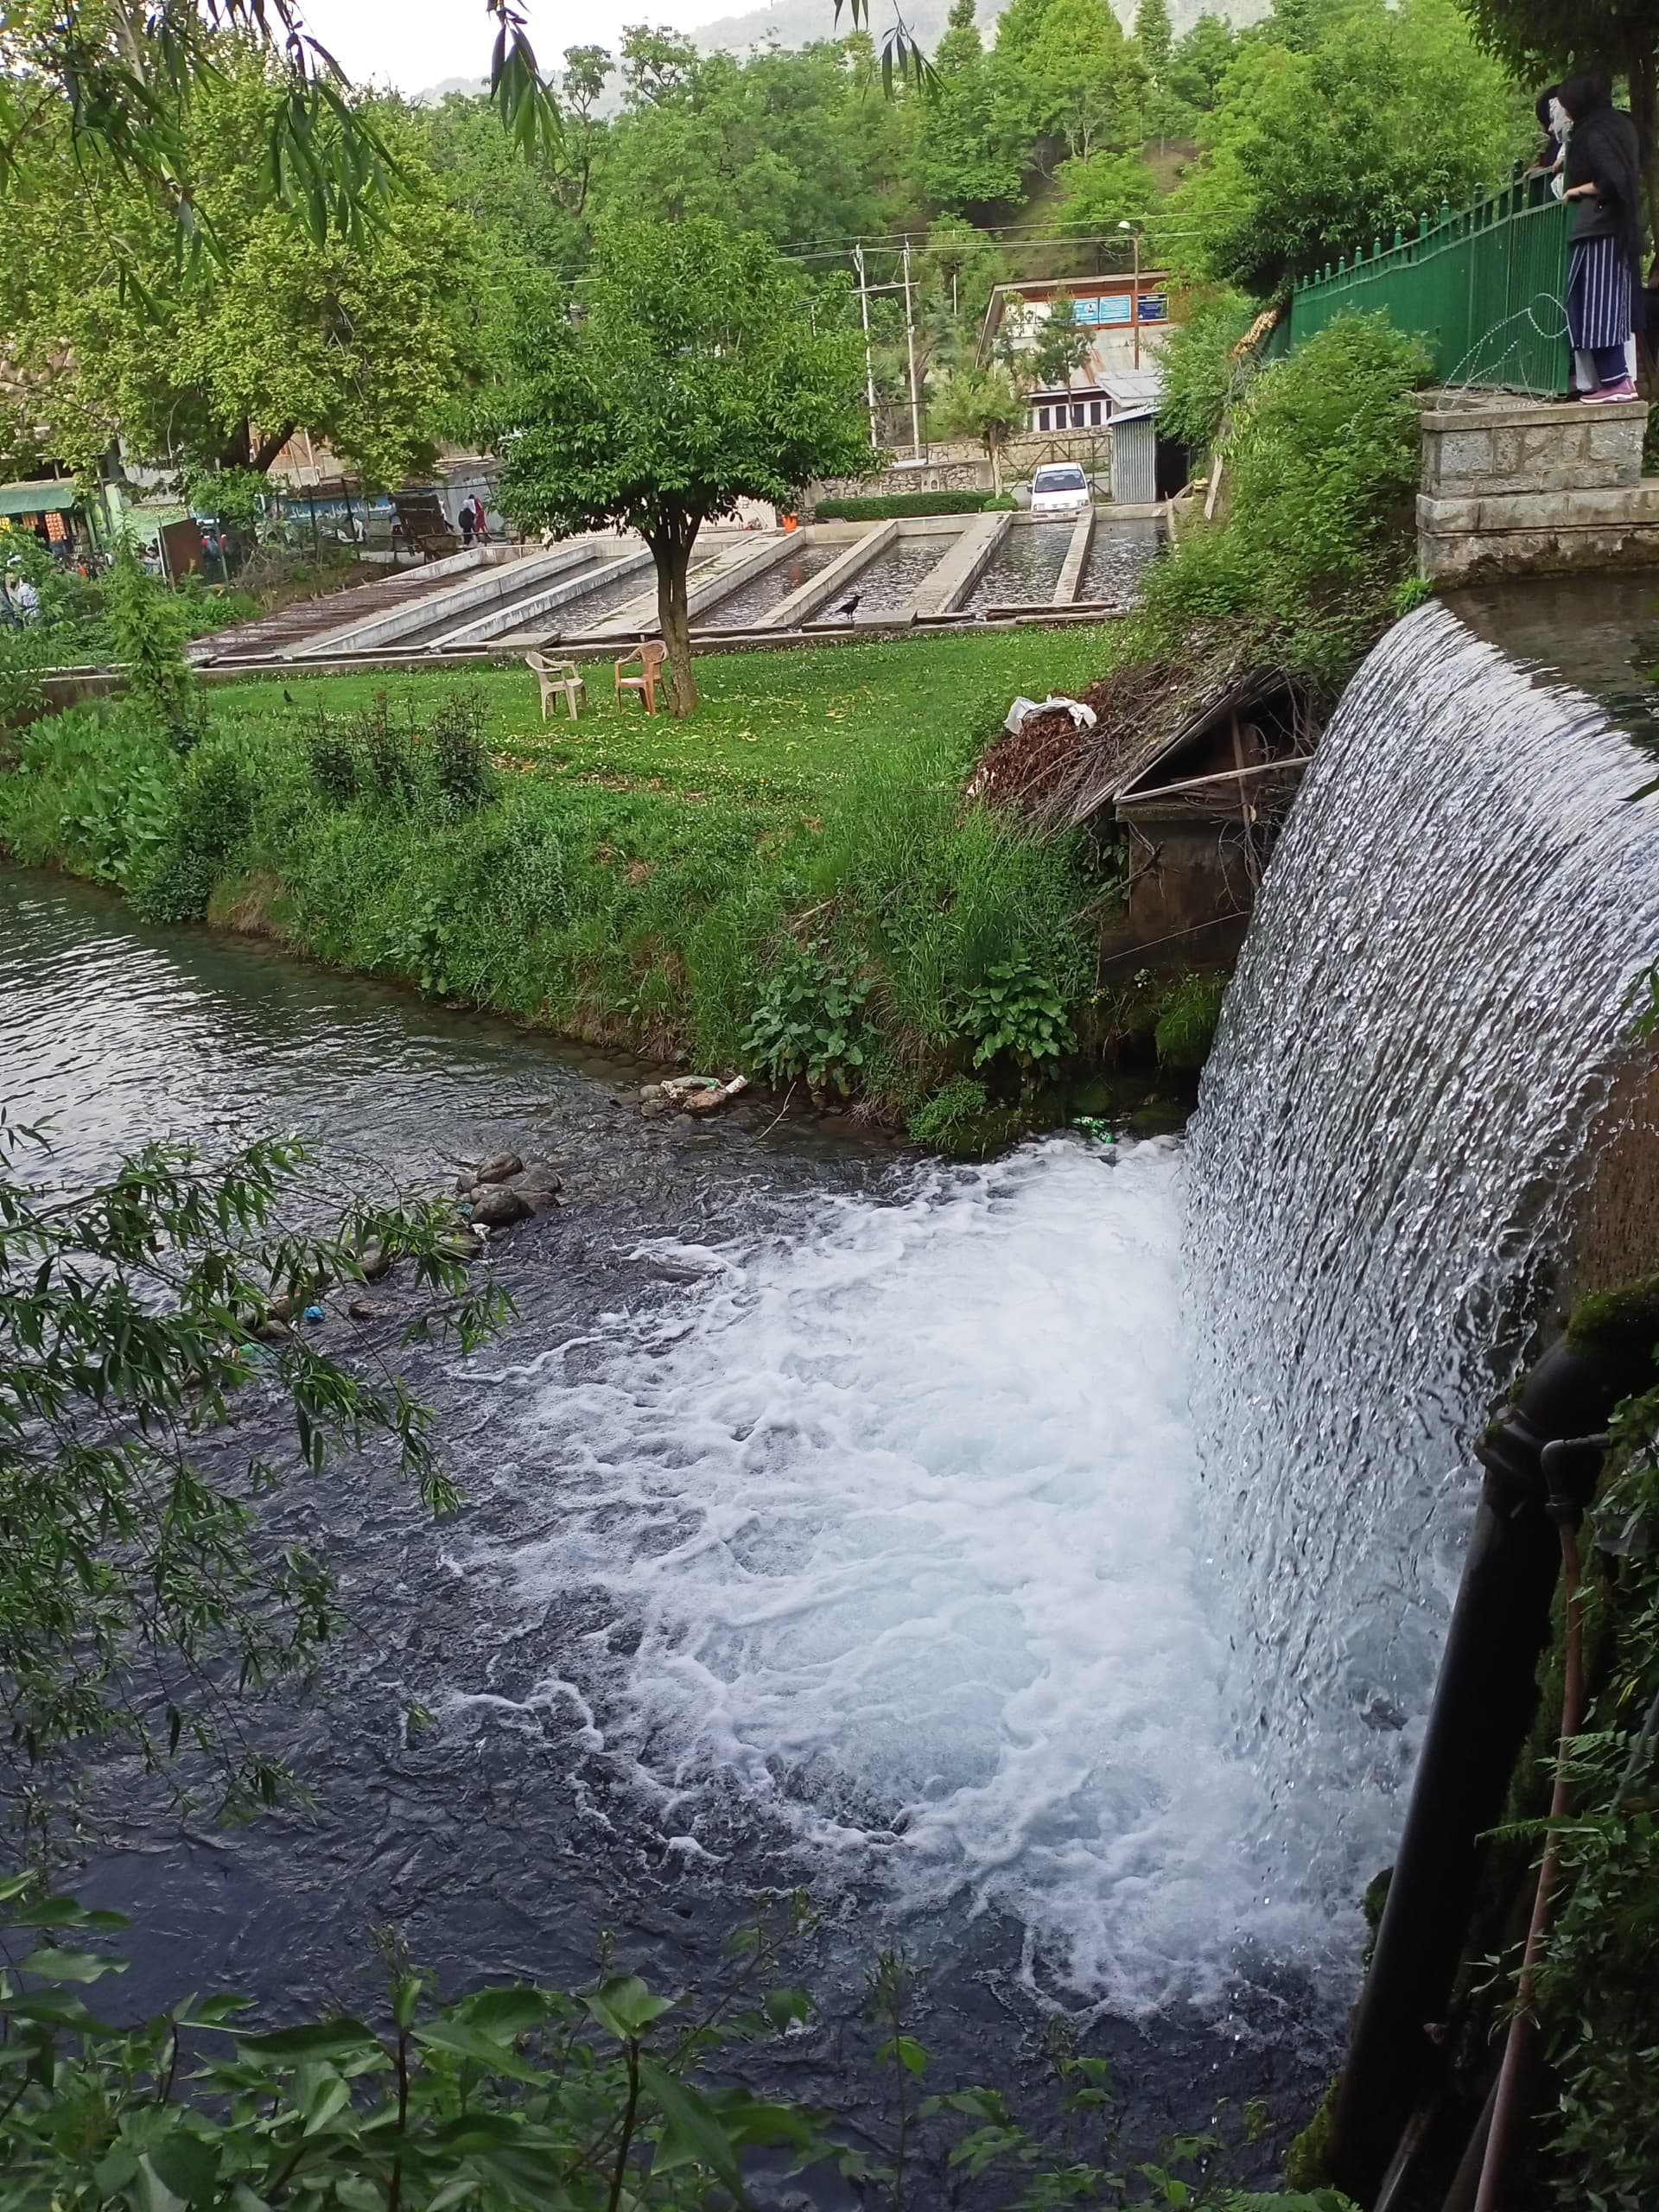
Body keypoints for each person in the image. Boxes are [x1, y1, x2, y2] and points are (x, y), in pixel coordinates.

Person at [1558, 73, 1644, 404]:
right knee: (1595, 304)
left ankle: (1616, 381)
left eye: (1566, 105)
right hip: (1611, 227)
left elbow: (1614, 179)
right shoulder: (1616, 125)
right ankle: (1613, 380)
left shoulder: (1595, 133)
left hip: (1601, 228)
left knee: (1597, 305)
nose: (1564, 113)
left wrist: (1578, 189)